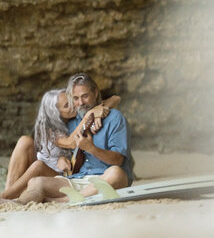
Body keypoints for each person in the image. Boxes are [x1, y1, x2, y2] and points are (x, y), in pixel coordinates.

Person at [16, 73, 133, 204]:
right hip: (77, 179)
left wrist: (91, 148)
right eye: (75, 98)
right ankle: (15, 203)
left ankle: (64, 200)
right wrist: (61, 158)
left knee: (116, 173)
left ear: (95, 93)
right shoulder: (72, 122)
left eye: (85, 96)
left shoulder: (115, 118)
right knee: (35, 181)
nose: (80, 102)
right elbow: (65, 146)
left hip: (105, 178)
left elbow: (118, 160)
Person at [1, 89, 120, 200]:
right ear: (55, 113)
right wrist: (90, 115)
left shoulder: (74, 119)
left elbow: (115, 99)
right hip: (40, 171)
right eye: (66, 105)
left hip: (60, 177)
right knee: (25, 141)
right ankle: (6, 194)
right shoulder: (48, 128)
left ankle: (6, 196)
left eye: (71, 101)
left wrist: (97, 110)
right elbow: (70, 143)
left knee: (39, 165)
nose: (73, 106)